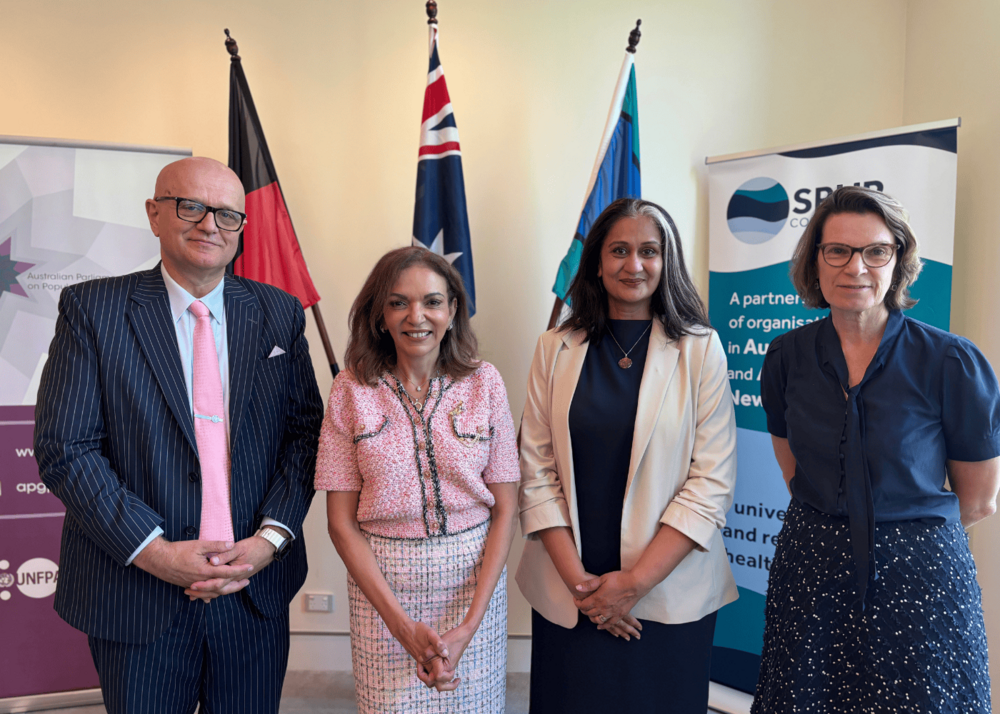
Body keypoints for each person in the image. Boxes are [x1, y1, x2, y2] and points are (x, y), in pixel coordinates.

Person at [33, 157, 323, 714]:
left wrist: (270, 541)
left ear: (241, 228)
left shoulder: (278, 314)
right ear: (155, 213)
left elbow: (305, 436)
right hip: (137, 591)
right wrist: (156, 553)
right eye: (191, 206)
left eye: (227, 215)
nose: (209, 224)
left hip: (252, 591)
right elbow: (67, 449)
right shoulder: (94, 310)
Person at [753, 186, 1000, 713]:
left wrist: (902, 544)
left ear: (899, 260)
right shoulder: (785, 358)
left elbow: (978, 500)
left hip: (920, 585)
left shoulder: (951, 362)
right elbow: (794, 470)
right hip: (811, 576)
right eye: (837, 250)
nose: (855, 267)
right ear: (815, 261)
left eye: (875, 251)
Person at [516, 197, 739, 713]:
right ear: (596, 261)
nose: (633, 265)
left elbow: (711, 482)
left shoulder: (701, 349)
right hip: (569, 589)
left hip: (666, 594)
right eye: (619, 250)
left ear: (667, 261)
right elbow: (536, 471)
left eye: (648, 251)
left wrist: (633, 585)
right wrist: (585, 589)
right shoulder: (555, 347)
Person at [316, 246, 519, 713]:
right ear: (379, 315)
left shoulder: (485, 382)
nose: (416, 316)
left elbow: (506, 507)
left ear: (452, 310)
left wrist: (469, 624)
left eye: (432, 301)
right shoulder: (350, 389)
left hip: (473, 585)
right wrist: (402, 627)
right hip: (382, 591)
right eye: (398, 302)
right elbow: (340, 523)